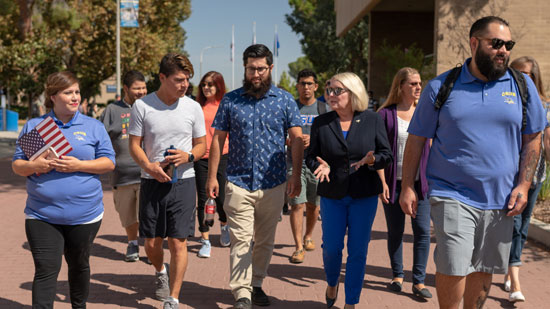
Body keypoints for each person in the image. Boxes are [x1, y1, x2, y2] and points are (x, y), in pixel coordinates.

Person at [400, 16, 546, 308]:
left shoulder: (523, 87)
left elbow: (533, 138)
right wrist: (407, 186)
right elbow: (416, 139)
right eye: (496, 44)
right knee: (454, 263)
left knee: (484, 267)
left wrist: (524, 184)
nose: (503, 50)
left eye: (508, 44)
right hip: (451, 192)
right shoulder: (441, 87)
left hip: (501, 197)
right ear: (475, 43)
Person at [206, 44, 303, 309]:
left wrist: (295, 174)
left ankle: (256, 283)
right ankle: (242, 293)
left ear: (270, 68)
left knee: (265, 240)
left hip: (273, 183)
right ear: (245, 68)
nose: (256, 74)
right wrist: (212, 176)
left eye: (261, 68)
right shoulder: (231, 100)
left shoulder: (285, 100)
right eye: (251, 68)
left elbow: (296, 139)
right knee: (240, 239)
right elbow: (218, 140)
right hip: (238, 182)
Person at [12, 71, 116, 308]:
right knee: (46, 268)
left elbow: (109, 163)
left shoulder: (93, 126)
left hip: (85, 215)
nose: (74, 97)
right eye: (68, 92)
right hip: (42, 214)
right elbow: (18, 165)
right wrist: (34, 165)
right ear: (53, 96)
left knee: (79, 265)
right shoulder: (37, 126)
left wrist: (79, 165)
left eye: (77, 92)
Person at [306, 72, 392, 308]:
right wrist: (318, 165)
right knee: (331, 248)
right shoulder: (321, 122)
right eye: (329, 90)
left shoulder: (372, 119)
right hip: (333, 195)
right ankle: (332, 282)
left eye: (337, 90)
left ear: (353, 93)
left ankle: (351, 302)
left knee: (357, 251)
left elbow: (387, 155)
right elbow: (310, 156)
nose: (331, 95)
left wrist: (373, 160)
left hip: (363, 195)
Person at [128, 53, 206, 309]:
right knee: (151, 243)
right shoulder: (142, 106)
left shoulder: (192, 106)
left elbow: (202, 145)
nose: (184, 85)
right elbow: (134, 146)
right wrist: (149, 166)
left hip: (184, 182)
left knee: (178, 241)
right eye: (179, 80)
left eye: (187, 80)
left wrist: (189, 156)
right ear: (162, 78)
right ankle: (160, 269)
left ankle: (173, 297)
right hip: (151, 181)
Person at [376, 67, 432, 298]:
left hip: (420, 184)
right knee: (395, 231)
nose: (418, 87)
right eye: (413, 84)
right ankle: (397, 275)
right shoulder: (385, 115)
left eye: (420, 83)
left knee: (422, 232)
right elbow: (377, 150)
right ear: (400, 86)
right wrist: (382, 182)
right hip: (393, 181)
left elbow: (432, 149)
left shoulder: (426, 113)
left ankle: (418, 281)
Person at [504, 56, 550, 302]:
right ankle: (515, 282)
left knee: (521, 229)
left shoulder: (545, 105)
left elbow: (548, 141)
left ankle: (510, 270)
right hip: (511, 175)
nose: (523, 77)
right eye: (519, 72)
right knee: (512, 226)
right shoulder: (508, 102)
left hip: (536, 175)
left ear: (536, 77)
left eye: (528, 74)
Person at [100, 70, 147, 262]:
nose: (141, 92)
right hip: (122, 175)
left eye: (144, 88)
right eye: (137, 88)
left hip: (148, 173)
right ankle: (132, 243)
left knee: (148, 215)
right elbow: (101, 140)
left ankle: (152, 248)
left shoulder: (151, 107)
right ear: (126, 88)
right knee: (128, 216)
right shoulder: (112, 111)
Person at [288, 68, 327, 264]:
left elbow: (330, 136)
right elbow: (280, 134)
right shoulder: (291, 107)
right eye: (302, 83)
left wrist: (313, 139)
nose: (305, 87)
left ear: (316, 86)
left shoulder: (323, 109)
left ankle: (308, 235)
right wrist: (292, 140)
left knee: (313, 206)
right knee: (297, 204)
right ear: (297, 86)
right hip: (294, 163)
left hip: (316, 164)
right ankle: (298, 247)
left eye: (309, 84)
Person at [194, 71, 231, 258]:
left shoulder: (226, 106)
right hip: (201, 158)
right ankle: (205, 239)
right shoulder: (196, 107)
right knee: (202, 199)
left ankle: (224, 225)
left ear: (219, 86)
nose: (207, 87)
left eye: (211, 84)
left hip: (223, 156)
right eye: (204, 84)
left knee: (222, 199)